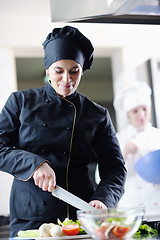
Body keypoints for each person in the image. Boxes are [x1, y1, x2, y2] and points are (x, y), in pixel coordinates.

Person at [0, 25, 126, 237]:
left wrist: (103, 199)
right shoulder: (20, 102)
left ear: (82, 69)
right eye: (59, 71)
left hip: (79, 214)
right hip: (30, 217)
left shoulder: (97, 114)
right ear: (48, 69)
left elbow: (115, 169)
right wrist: (34, 164)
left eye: (74, 71)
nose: (67, 79)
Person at [113, 80, 160, 216]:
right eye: (135, 111)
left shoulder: (158, 136)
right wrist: (124, 152)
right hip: (130, 210)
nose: (141, 115)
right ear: (128, 114)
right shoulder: (118, 139)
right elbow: (101, 176)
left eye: (145, 109)